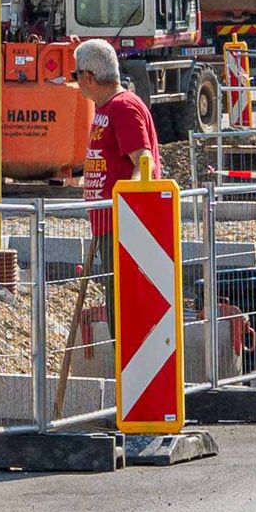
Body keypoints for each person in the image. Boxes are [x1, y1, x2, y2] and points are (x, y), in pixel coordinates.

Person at [67, 39, 160, 352]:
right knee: (118, 312)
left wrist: (129, 211)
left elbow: (142, 163)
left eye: (76, 74)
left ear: (89, 77)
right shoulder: (106, 109)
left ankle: (133, 382)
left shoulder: (124, 107)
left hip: (123, 230)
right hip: (109, 226)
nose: (75, 81)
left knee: (126, 315)